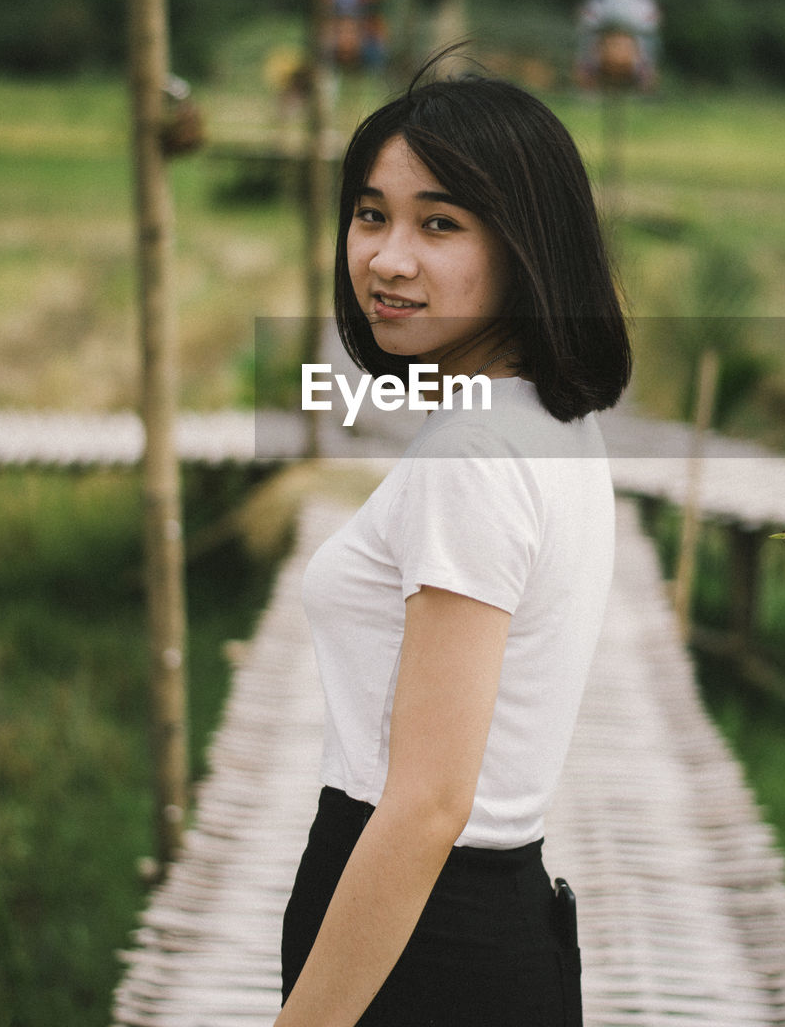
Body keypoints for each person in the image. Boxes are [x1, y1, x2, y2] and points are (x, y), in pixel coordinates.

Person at [276, 59, 632, 1027]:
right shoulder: (541, 419)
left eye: (439, 223)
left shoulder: (473, 451)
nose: (388, 258)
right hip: (486, 918)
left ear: (524, 245)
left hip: (421, 939)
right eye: (369, 214)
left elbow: (430, 802)